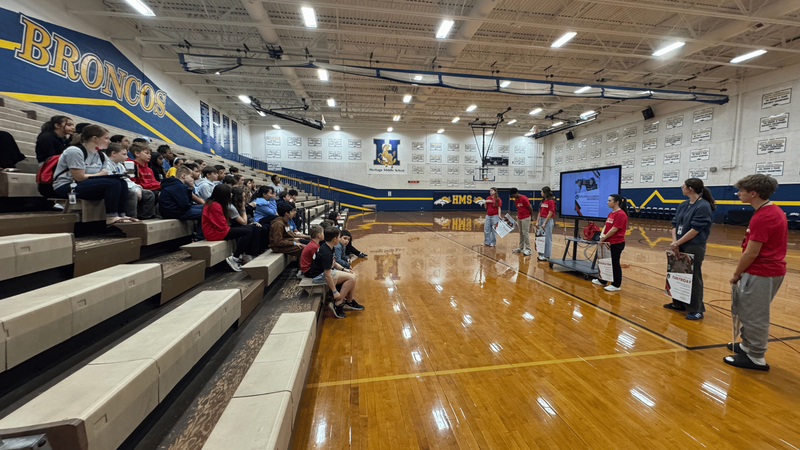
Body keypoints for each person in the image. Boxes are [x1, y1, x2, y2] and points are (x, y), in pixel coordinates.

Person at [725, 175, 787, 371]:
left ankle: (756, 356)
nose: (738, 193)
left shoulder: (765, 216)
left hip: (762, 272)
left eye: (741, 191)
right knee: (747, 310)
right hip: (763, 271)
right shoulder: (767, 211)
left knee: (755, 315)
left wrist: (736, 273)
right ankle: (747, 345)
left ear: (753, 193)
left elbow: (752, 252)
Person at [51, 125, 132, 226]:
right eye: (106, 138)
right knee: (113, 183)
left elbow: (103, 174)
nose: (109, 141)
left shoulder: (101, 155)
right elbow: (79, 177)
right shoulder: (75, 151)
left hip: (86, 183)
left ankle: (121, 214)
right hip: (67, 186)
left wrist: (100, 175)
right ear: (95, 138)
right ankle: (111, 216)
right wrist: (100, 174)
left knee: (122, 182)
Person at [663, 178, 716, 320]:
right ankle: (678, 303)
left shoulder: (703, 206)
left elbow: (695, 229)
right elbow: (674, 224)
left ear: (691, 188)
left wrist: (678, 242)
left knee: (693, 276)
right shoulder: (683, 204)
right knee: (677, 273)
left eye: (684, 185)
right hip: (679, 243)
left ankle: (696, 309)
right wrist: (675, 242)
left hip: (694, 245)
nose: (681, 187)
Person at [304, 227, 363, 318]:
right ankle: (338, 303)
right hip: (319, 276)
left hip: (324, 272)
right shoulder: (326, 252)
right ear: (335, 239)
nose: (339, 238)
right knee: (351, 278)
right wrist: (334, 291)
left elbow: (333, 263)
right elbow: (327, 275)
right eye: (339, 236)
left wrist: (344, 269)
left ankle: (349, 301)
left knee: (352, 275)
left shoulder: (328, 246)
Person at [202, 184, 261, 272]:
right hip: (214, 233)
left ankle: (248, 255)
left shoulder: (214, 203)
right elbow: (221, 224)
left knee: (251, 228)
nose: (231, 195)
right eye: (229, 193)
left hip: (219, 230)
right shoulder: (214, 205)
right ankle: (235, 257)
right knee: (247, 231)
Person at [104, 143, 156, 220]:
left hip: (124, 186)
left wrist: (137, 188)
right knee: (132, 194)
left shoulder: (120, 165)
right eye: (124, 154)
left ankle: (145, 217)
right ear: (113, 154)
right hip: (113, 189)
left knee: (148, 194)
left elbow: (127, 180)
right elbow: (114, 181)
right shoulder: (106, 164)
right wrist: (134, 189)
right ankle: (131, 218)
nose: (127, 157)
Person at [592, 194, 628, 292]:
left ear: (616, 202)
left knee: (614, 263)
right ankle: (602, 280)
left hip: (616, 243)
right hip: (607, 242)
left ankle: (616, 285)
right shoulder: (611, 213)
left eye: (610, 200)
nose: (607, 202)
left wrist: (605, 237)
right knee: (605, 262)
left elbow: (614, 229)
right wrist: (602, 235)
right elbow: (606, 225)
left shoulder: (621, 214)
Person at [159, 166, 204, 239]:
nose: (192, 179)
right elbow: (185, 205)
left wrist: (190, 189)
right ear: (183, 176)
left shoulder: (175, 184)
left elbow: (187, 203)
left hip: (171, 210)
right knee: (205, 212)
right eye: (191, 176)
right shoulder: (178, 186)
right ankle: (199, 237)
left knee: (205, 207)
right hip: (173, 211)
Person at [230, 186, 269, 254]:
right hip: (235, 226)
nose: (244, 199)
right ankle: (251, 253)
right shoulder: (232, 207)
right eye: (243, 197)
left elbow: (247, 218)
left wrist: (252, 222)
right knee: (256, 228)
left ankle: (261, 250)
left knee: (264, 227)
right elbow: (243, 222)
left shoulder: (239, 205)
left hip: (242, 223)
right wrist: (243, 208)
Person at [509, 188, 534, 256]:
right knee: (521, 233)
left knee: (525, 232)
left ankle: (528, 249)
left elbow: (530, 208)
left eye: (513, 195)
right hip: (519, 217)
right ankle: (521, 247)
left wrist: (531, 217)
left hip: (526, 217)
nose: (513, 196)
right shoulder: (515, 200)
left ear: (516, 193)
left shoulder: (524, 198)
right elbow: (518, 208)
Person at [534, 186, 556, 261]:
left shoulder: (551, 201)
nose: (541, 193)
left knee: (547, 238)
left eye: (542, 191)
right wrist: (537, 221)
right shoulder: (543, 201)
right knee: (540, 237)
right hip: (541, 219)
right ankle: (541, 254)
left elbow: (550, 213)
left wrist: (544, 223)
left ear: (545, 192)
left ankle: (547, 255)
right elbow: (539, 212)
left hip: (548, 220)